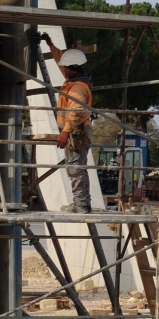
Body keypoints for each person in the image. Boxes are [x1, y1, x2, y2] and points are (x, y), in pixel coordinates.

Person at [42, 35, 93, 213]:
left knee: (74, 169)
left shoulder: (77, 88)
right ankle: (83, 204)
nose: (62, 69)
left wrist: (65, 132)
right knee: (79, 168)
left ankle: (80, 205)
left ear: (72, 68)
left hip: (76, 132)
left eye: (65, 67)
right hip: (80, 131)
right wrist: (51, 45)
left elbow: (76, 112)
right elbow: (60, 61)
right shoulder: (74, 78)